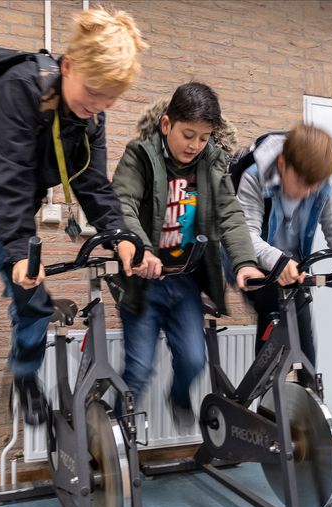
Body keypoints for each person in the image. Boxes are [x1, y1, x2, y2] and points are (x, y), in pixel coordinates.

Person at [0, 7, 147, 468]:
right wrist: (23, 251)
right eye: (93, 92)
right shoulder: (19, 89)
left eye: (110, 99)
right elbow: (7, 176)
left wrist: (120, 235)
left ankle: (24, 379)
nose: (99, 105)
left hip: (10, 221)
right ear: (68, 66)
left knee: (35, 308)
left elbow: (92, 183)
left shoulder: (90, 116)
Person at [111, 82, 263, 430]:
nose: (194, 145)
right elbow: (124, 202)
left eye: (203, 137)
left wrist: (244, 263)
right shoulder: (140, 155)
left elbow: (230, 215)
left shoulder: (212, 163)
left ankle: (179, 395)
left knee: (195, 360)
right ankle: (118, 438)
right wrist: (142, 250)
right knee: (138, 368)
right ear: (167, 125)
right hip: (144, 284)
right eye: (188, 134)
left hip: (185, 281)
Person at [235, 124, 332, 366]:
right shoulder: (254, 177)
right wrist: (278, 262)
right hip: (252, 261)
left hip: (295, 267)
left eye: (315, 185)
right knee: (271, 303)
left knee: (302, 319)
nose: (309, 192)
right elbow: (246, 235)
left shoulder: (320, 185)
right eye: (303, 183)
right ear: (282, 164)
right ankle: (267, 391)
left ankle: (308, 386)